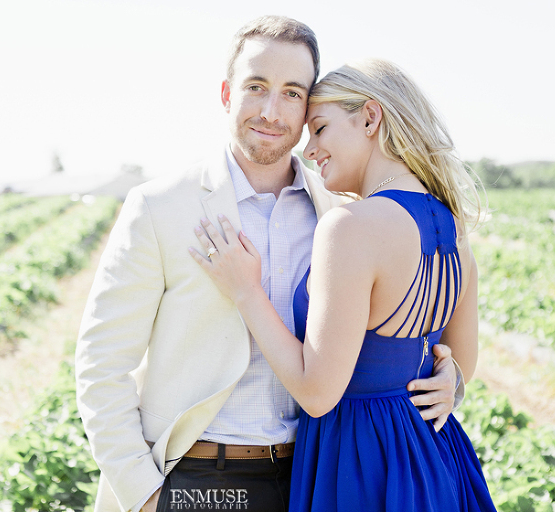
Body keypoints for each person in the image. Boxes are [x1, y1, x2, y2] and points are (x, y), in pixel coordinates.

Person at [76, 17, 462, 512]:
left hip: (312, 476)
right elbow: (101, 364)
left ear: (308, 107)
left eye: (292, 93)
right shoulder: (160, 207)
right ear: (226, 93)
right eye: (255, 87)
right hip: (196, 479)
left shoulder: (340, 214)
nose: (271, 110)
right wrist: (147, 495)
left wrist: (451, 379)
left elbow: (403, 327)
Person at [190, 58, 495, 511]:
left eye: (321, 128)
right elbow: (462, 364)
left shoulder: (350, 226)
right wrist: (447, 378)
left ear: (370, 118)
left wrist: (245, 291)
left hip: (361, 463)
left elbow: (316, 394)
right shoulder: (454, 225)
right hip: (438, 455)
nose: (309, 149)